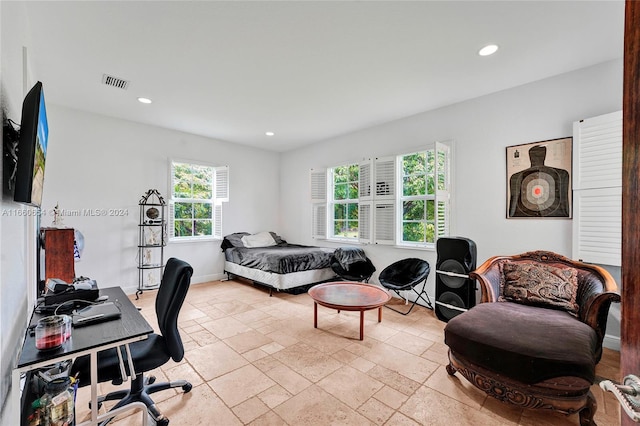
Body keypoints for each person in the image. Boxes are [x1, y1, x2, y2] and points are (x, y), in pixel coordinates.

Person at [508, 144, 570, 217]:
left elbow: (563, 203)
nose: (536, 158)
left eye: (538, 154)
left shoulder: (561, 174)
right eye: (536, 154)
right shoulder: (561, 173)